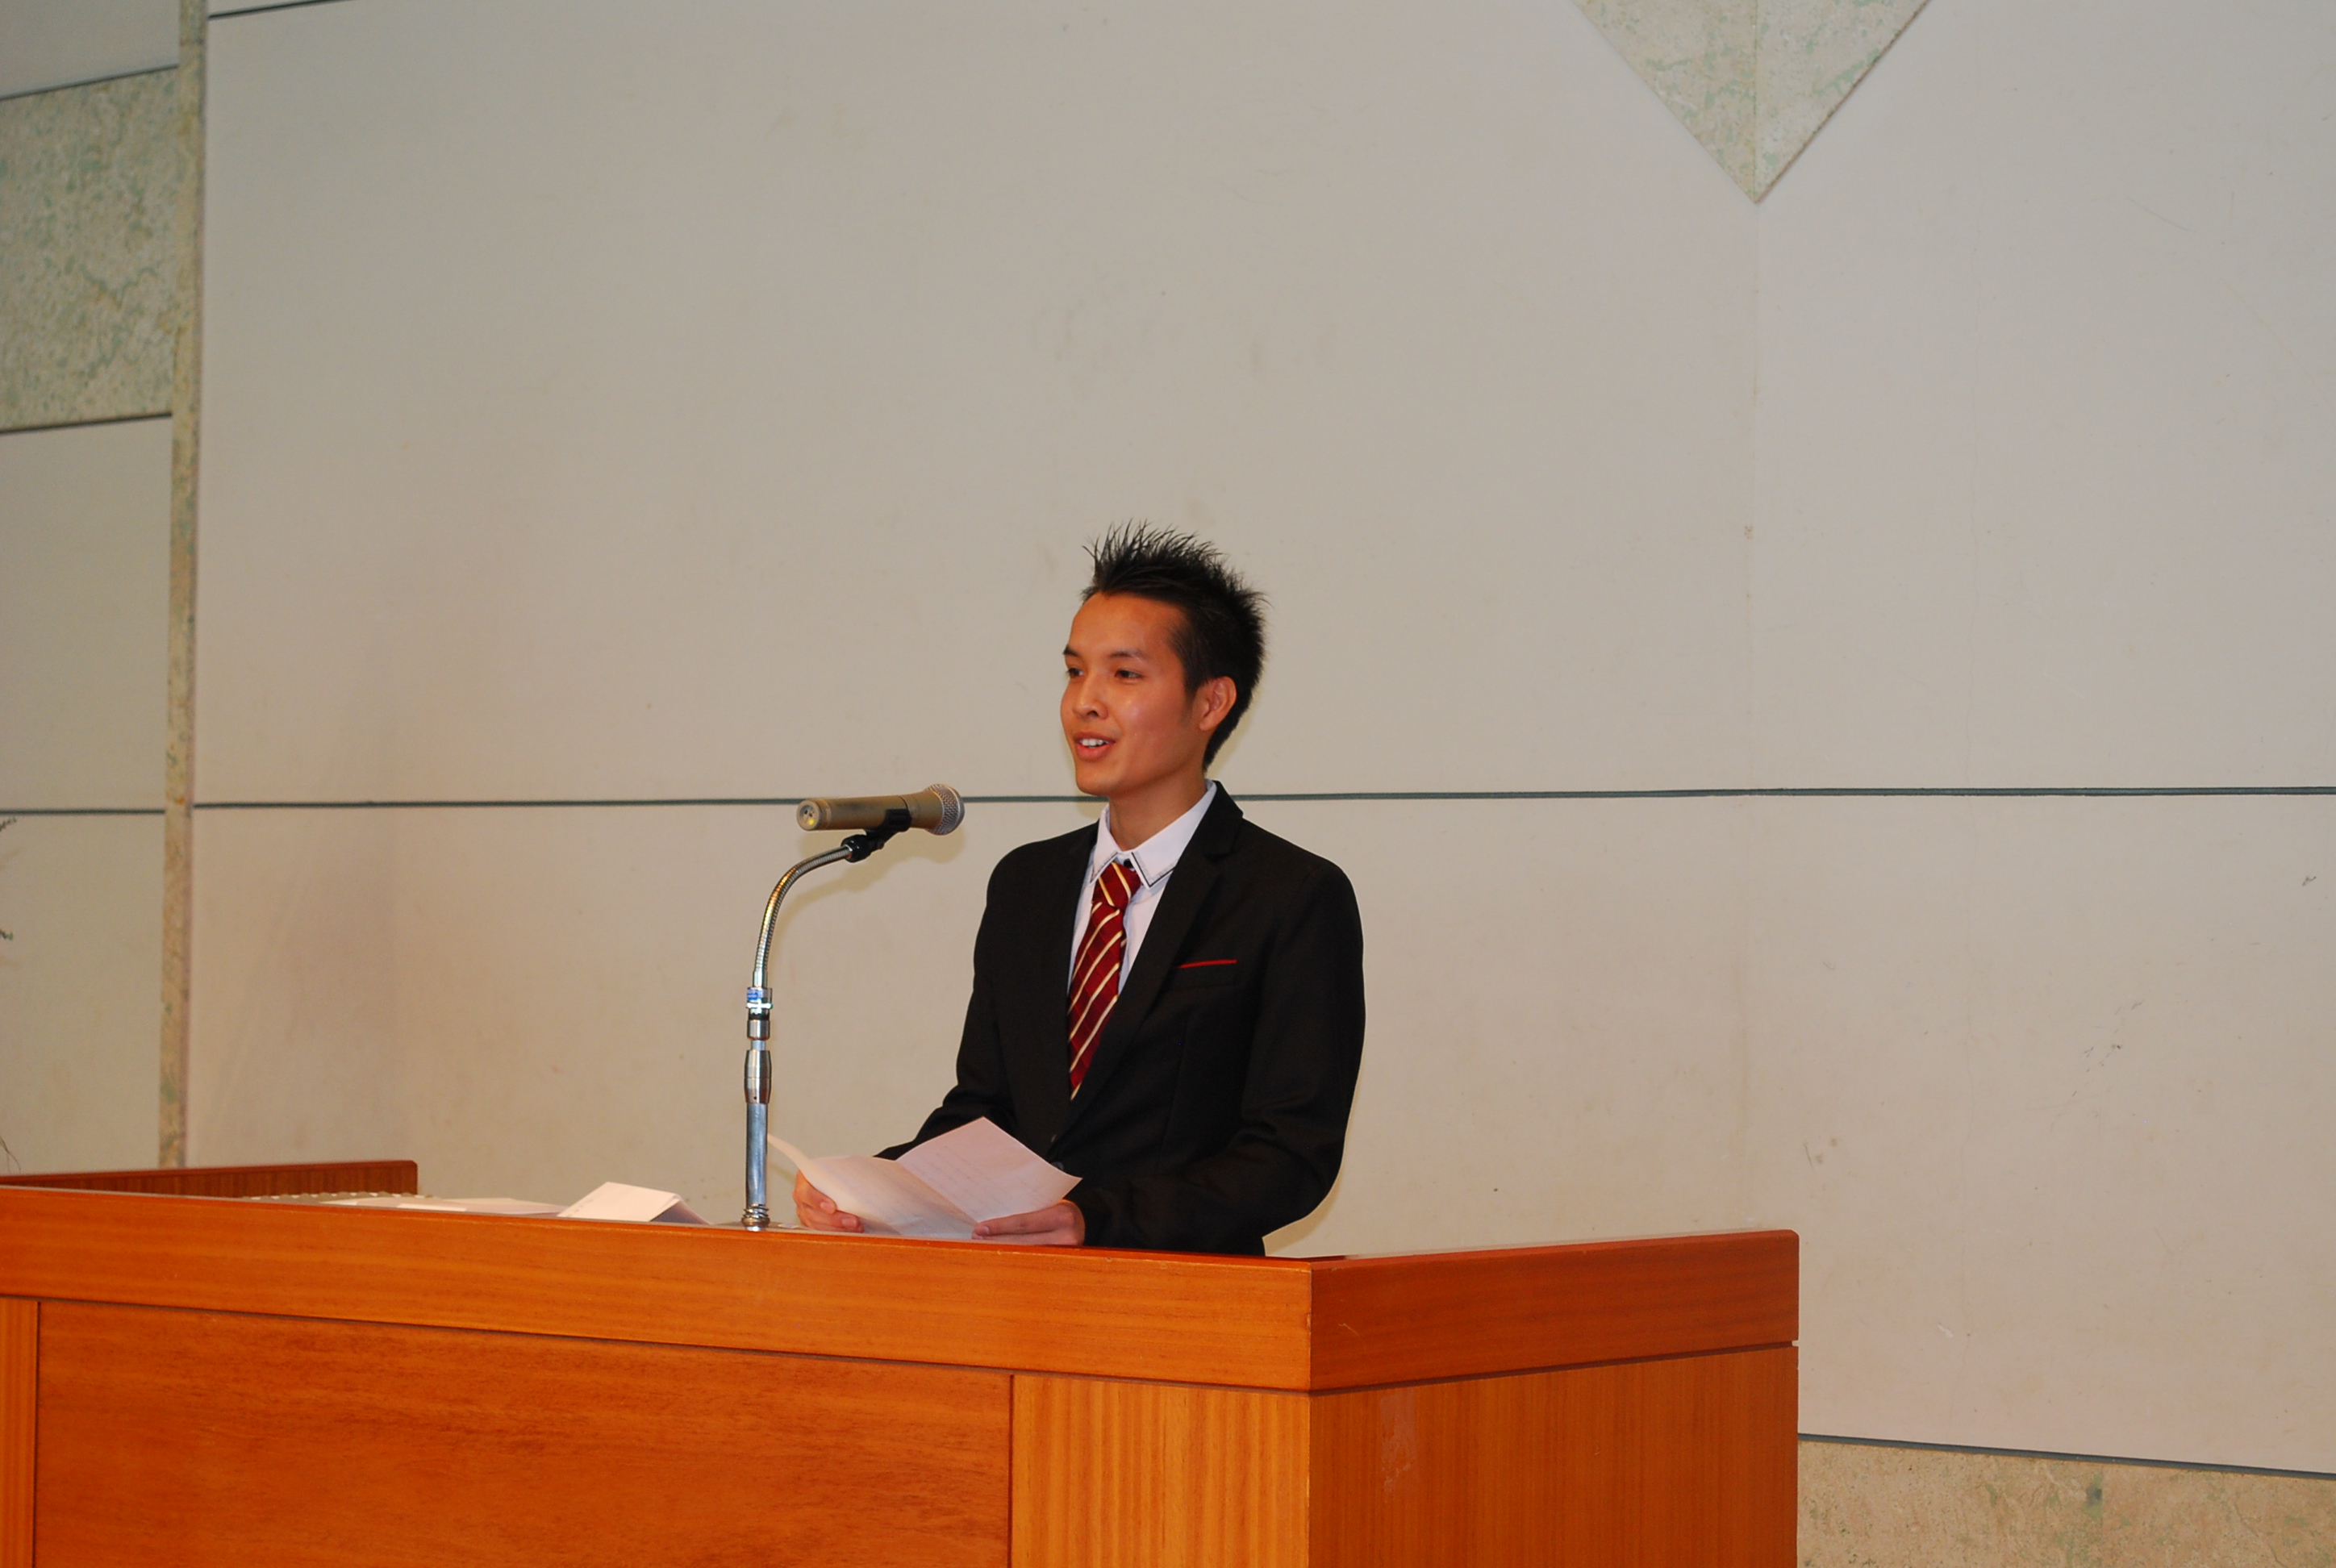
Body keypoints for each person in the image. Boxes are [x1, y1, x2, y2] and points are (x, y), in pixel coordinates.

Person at [793, 525, 1366, 1253]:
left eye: (1124, 675)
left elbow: (1290, 1156)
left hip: (1189, 1293)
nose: (1084, 702)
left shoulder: (1290, 895)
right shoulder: (1027, 884)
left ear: (1210, 703)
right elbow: (988, 1115)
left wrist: (1100, 1219)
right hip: (1020, 1290)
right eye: (1073, 671)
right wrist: (875, 1187)